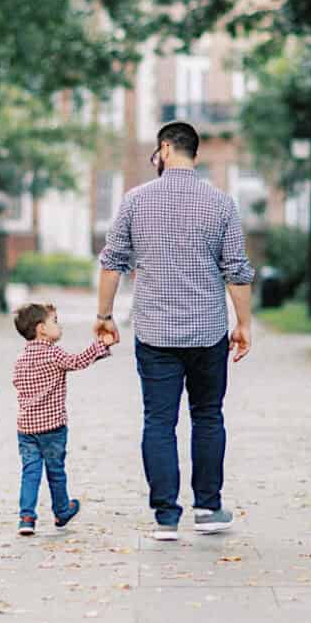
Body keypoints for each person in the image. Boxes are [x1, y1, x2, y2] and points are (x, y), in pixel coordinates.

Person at [96, 121, 255, 542]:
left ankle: (166, 516)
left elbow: (112, 262)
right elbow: (236, 271)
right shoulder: (221, 204)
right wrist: (243, 324)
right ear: (194, 155)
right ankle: (207, 508)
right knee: (207, 416)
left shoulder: (135, 200)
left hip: (155, 333)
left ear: (164, 150)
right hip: (207, 332)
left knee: (159, 421)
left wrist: (104, 315)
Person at [10, 302, 112, 535]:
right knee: (56, 471)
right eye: (54, 321)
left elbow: (17, 384)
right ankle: (62, 510)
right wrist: (100, 345)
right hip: (53, 428)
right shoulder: (53, 353)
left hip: (26, 429)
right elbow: (77, 362)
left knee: (30, 471)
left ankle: (26, 517)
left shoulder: (21, 358)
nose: (60, 326)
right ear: (41, 329)